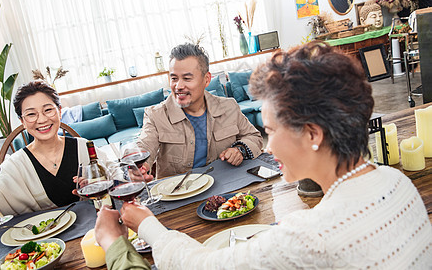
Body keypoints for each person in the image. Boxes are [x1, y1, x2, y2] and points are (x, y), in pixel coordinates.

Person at [95, 42, 432, 269]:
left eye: (271, 131)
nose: (267, 147)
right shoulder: (397, 179)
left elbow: (201, 266)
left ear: (313, 133)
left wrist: (142, 230)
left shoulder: (308, 235)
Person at [137, 43, 263, 179]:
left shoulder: (229, 107)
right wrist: (139, 167)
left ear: (206, 79)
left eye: (187, 78)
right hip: (179, 196)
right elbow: (143, 147)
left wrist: (240, 150)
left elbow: (255, 137)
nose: (178, 86)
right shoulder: (155, 115)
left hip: (226, 186)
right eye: (174, 78)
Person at [0, 81, 99, 219]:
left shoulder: (84, 148)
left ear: (59, 111)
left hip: (93, 229)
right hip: (44, 240)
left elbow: (116, 178)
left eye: (48, 110)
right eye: (31, 114)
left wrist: (95, 187)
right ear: (22, 121)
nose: (42, 119)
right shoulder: (15, 166)